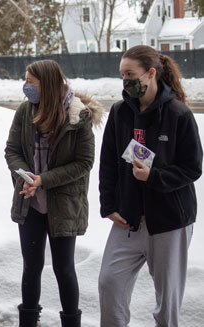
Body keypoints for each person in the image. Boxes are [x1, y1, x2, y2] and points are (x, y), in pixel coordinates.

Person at [98, 45, 202, 327]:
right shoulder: (120, 113)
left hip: (169, 221)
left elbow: (193, 168)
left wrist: (154, 176)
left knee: (167, 303)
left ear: (151, 73)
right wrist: (108, 205)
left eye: (130, 74)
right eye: (122, 75)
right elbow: (107, 162)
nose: (125, 81)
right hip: (128, 220)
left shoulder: (179, 114)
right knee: (109, 283)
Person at [4, 60, 103, 327]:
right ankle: (28, 321)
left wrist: (43, 180)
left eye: (30, 82)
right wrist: (24, 176)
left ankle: (71, 322)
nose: (26, 87)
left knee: (64, 269)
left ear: (46, 85)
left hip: (63, 205)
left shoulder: (77, 115)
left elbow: (84, 163)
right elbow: (12, 150)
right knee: (31, 267)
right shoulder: (25, 111)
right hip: (30, 201)